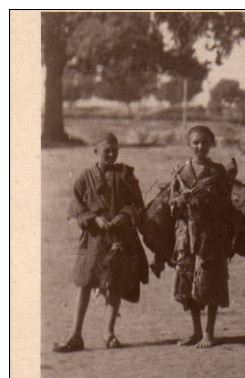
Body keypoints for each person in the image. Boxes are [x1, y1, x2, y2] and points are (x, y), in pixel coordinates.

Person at [53, 132, 149, 352]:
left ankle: (109, 332)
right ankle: (76, 334)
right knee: (85, 283)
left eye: (115, 150)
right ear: (95, 151)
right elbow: (76, 205)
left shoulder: (126, 175)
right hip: (94, 239)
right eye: (107, 150)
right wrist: (93, 218)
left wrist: (125, 215)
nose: (112, 154)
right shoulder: (85, 177)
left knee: (114, 283)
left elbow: (137, 204)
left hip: (119, 238)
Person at [169, 125, 234, 349]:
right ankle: (196, 331)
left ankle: (209, 333)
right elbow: (171, 202)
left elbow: (226, 202)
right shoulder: (180, 170)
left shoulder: (217, 171)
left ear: (211, 144)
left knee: (211, 280)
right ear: (189, 144)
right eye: (196, 142)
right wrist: (179, 201)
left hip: (210, 235)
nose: (200, 146)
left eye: (205, 142)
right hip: (185, 236)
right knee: (188, 281)